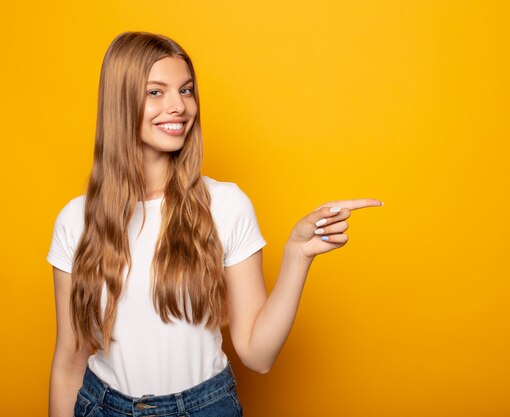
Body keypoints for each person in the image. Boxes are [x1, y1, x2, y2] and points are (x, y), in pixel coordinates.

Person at [47, 31, 383, 417]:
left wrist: (297, 254)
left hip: (204, 407)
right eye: (156, 92)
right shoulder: (76, 220)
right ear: (119, 101)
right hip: (101, 406)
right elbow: (68, 363)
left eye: (186, 91)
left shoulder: (226, 205)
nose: (179, 106)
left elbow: (257, 355)